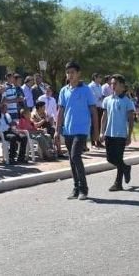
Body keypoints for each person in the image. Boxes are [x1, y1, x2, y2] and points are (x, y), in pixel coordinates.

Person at [56, 61, 98, 200]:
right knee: (72, 160)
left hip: (81, 129)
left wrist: (95, 131)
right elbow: (60, 111)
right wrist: (57, 130)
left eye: (73, 72)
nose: (70, 75)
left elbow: (93, 111)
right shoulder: (64, 90)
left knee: (75, 156)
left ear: (79, 74)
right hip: (67, 129)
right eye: (68, 72)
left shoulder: (86, 90)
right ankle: (75, 188)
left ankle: (83, 189)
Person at [100, 74, 136, 192]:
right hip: (109, 134)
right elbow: (104, 117)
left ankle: (118, 183)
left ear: (122, 85)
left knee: (119, 157)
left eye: (115, 83)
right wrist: (101, 132)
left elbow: (131, 119)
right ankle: (126, 168)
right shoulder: (107, 100)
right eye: (111, 83)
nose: (112, 86)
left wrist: (129, 135)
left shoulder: (127, 101)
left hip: (121, 134)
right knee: (110, 159)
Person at [38, 85, 65, 158]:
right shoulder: (41, 98)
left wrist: (56, 121)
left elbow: (54, 111)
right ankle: (49, 152)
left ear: (51, 92)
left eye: (49, 91)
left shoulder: (53, 99)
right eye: (46, 91)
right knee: (48, 133)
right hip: (42, 119)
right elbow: (38, 108)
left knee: (56, 133)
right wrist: (44, 117)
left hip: (50, 119)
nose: (47, 92)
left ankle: (59, 151)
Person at [88, 73, 105, 149]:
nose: (100, 79)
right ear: (95, 78)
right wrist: (100, 98)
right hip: (93, 107)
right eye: (99, 77)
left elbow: (101, 96)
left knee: (98, 125)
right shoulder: (91, 86)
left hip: (100, 106)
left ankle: (97, 141)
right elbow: (92, 96)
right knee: (93, 124)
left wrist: (101, 98)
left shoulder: (100, 86)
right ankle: (92, 142)